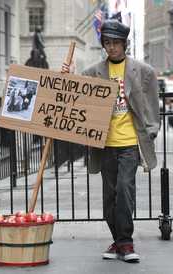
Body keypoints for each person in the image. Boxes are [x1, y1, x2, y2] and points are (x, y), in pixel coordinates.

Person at [62, 19, 160, 263]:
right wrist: (67, 75)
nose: (112, 47)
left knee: (125, 192)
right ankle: (118, 241)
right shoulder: (93, 72)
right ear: (103, 45)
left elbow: (151, 104)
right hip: (105, 144)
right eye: (107, 43)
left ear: (124, 44)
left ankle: (126, 243)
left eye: (116, 43)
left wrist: (151, 130)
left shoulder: (143, 71)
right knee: (109, 199)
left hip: (129, 143)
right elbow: (73, 93)